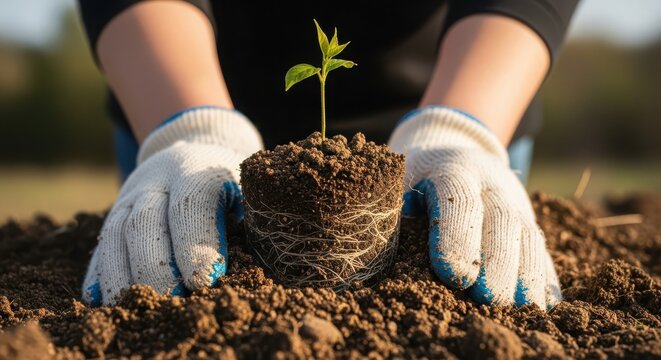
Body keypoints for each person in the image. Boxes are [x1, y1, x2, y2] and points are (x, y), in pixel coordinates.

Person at [77, 0, 579, 308]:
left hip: (474, 87)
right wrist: (185, 126)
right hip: (167, 88)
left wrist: (463, 127)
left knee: (470, 253)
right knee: (168, 257)